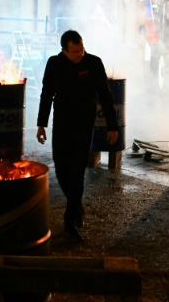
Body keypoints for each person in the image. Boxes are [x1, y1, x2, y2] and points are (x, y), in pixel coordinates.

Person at [36, 30, 119, 242]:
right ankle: (77, 206)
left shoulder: (93, 63)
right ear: (64, 50)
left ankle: (69, 221)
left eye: (81, 48)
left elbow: (106, 95)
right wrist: (41, 124)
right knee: (61, 169)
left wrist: (112, 125)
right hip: (62, 124)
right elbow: (46, 93)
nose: (80, 54)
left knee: (78, 170)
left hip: (84, 125)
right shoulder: (54, 64)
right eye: (75, 51)